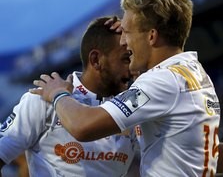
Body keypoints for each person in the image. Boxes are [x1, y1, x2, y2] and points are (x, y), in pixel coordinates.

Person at [30, 0, 223, 176]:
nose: (123, 42)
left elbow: (83, 127)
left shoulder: (161, 82)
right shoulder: (193, 73)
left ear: (152, 36)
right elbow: (204, 154)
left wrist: (58, 93)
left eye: (127, 32)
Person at [0, 16, 138, 176]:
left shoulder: (135, 104)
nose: (134, 67)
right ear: (96, 60)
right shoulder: (42, 99)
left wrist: (135, 30)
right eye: (126, 59)